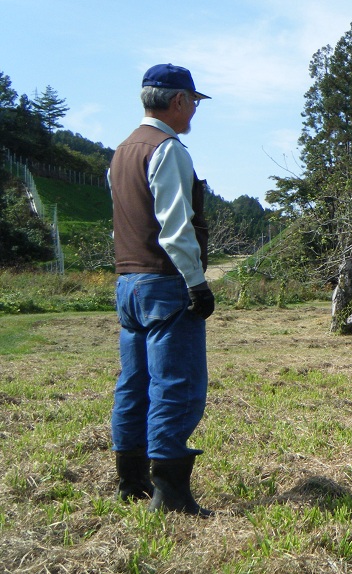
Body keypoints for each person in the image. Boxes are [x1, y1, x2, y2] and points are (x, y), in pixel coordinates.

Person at [108, 63, 214, 516]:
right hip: (164, 282)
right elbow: (176, 228)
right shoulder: (168, 150)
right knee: (177, 383)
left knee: (134, 382)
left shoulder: (122, 151)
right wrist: (197, 283)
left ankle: (130, 480)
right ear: (177, 101)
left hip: (127, 282)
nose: (193, 111)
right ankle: (169, 493)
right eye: (193, 101)